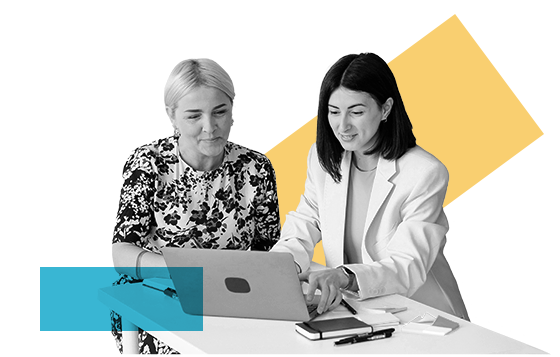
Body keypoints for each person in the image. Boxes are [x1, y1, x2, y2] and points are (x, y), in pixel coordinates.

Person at [271, 53, 469, 320]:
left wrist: (344, 276)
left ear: (385, 109)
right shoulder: (322, 157)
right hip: (358, 309)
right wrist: (278, 268)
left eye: (357, 112)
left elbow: (407, 265)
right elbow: (306, 221)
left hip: (420, 313)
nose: (343, 126)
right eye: (333, 111)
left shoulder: (424, 173)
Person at [111, 58, 281, 354]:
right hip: (156, 296)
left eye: (220, 112)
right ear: (172, 116)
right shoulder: (148, 163)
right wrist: (187, 272)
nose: (210, 127)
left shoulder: (256, 168)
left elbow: (269, 252)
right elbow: (122, 254)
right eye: (194, 116)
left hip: (230, 299)